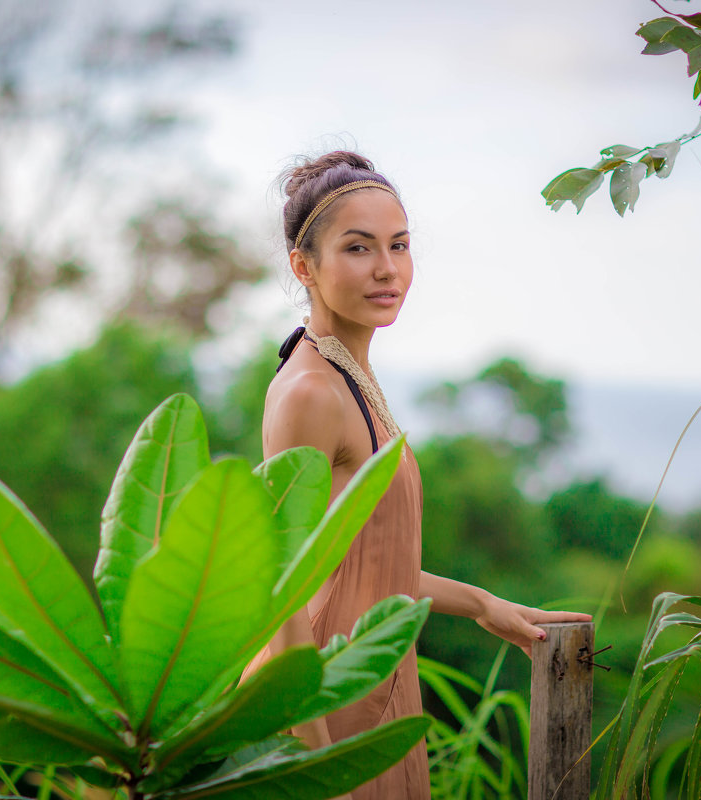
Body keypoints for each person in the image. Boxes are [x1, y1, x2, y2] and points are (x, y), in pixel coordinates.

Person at [243, 151, 592, 800]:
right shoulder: (310, 393)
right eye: (357, 247)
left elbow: (363, 563)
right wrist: (315, 767)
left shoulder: (348, 371)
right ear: (303, 266)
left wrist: (484, 604)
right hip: (325, 699)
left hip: (375, 684)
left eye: (399, 245)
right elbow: (281, 593)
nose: (387, 268)